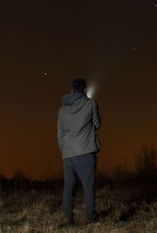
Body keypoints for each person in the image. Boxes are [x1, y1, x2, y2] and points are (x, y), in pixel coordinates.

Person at [57, 78, 101, 224]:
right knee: (88, 187)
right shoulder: (90, 104)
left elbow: (60, 133)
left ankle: (68, 219)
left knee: (68, 187)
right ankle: (91, 220)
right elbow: (97, 124)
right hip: (86, 153)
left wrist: (65, 148)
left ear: (71, 90)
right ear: (84, 90)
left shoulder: (62, 110)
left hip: (68, 155)